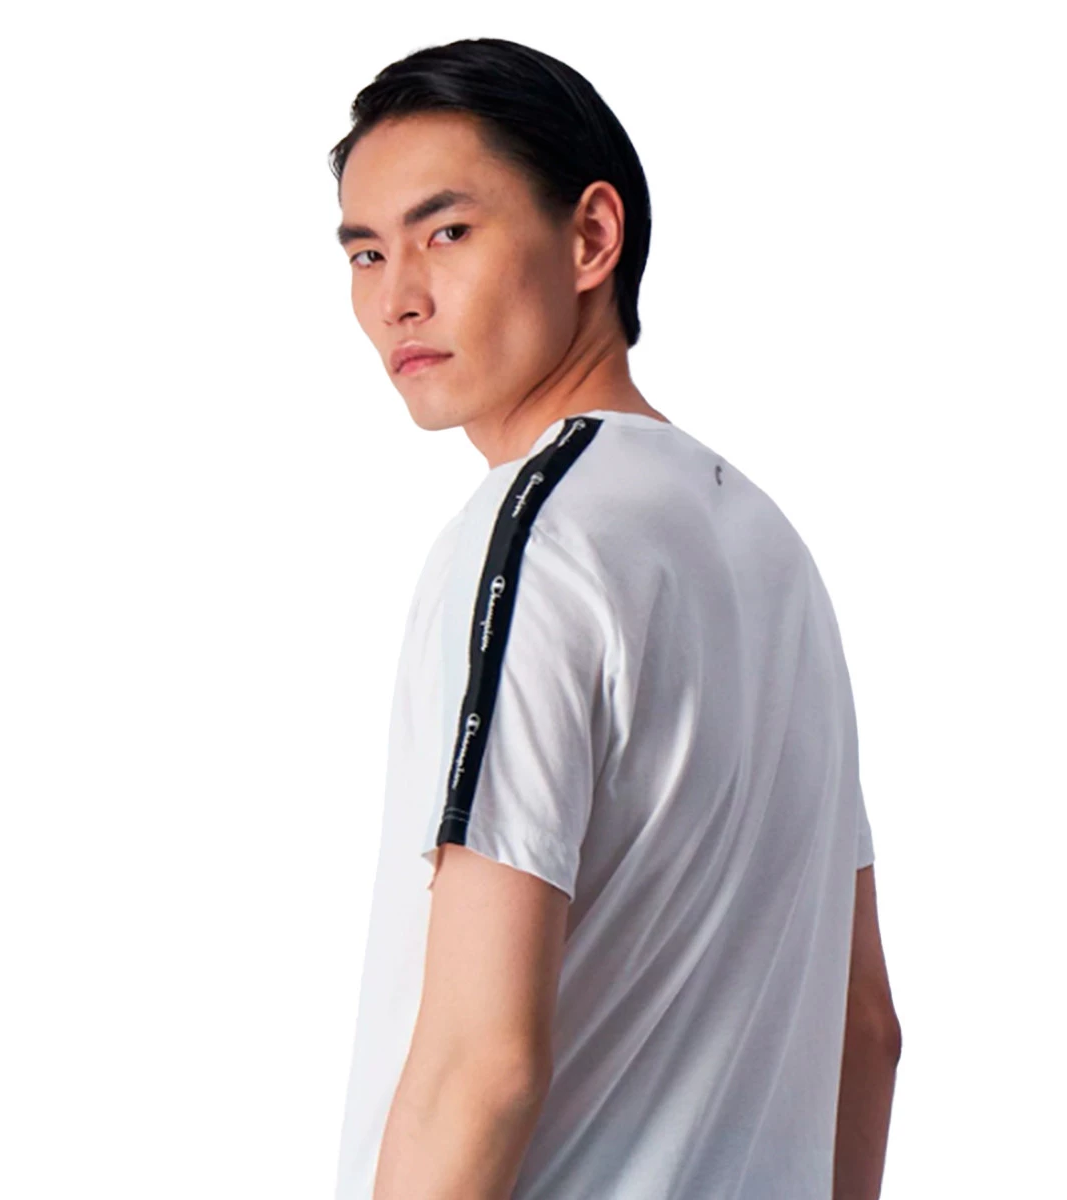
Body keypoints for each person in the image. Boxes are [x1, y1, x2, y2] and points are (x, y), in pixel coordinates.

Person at [328, 36, 901, 1200]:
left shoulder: (537, 538)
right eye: (366, 251)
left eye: (448, 232)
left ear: (592, 237)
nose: (398, 297)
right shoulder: (770, 551)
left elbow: (481, 1067)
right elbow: (865, 1033)